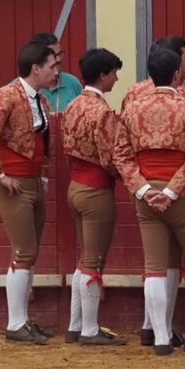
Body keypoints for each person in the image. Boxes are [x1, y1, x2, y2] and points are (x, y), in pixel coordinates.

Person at [113, 48, 185, 356]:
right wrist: (172, 190)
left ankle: (160, 339)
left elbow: (121, 155)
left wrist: (143, 190)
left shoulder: (132, 109)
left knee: (155, 267)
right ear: (176, 75)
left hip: (146, 196)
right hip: (179, 194)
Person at [0, 43, 57, 344]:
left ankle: (21, 319)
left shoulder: (42, 101)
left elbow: (43, 143)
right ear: (36, 67)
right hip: (14, 183)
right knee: (24, 251)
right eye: (52, 66)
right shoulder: (6, 95)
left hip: (32, 180)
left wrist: (43, 175)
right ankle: (15, 323)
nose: (56, 72)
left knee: (28, 252)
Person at [120, 34, 185, 350]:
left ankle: (153, 327)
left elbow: (121, 143)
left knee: (154, 260)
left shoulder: (133, 94)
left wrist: (141, 186)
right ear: (175, 64)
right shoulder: (183, 95)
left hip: (142, 184)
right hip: (177, 186)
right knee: (172, 258)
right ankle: (161, 326)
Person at [62, 48, 127, 346]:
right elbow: (111, 158)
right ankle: (89, 329)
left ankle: (76, 326)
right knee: (93, 260)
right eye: (114, 73)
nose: (116, 78)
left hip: (75, 187)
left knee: (83, 259)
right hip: (96, 190)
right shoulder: (101, 112)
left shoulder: (73, 105)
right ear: (103, 75)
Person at [28, 33, 83, 111]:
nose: (59, 59)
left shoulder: (72, 82)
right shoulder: (19, 91)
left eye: (60, 54)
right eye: (54, 55)